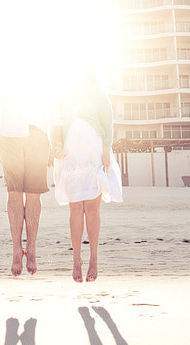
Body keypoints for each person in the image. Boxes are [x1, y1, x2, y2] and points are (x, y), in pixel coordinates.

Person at [52, 65, 122, 283]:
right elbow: (55, 123)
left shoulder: (99, 93)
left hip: (93, 152)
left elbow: (108, 124)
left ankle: (93, 258)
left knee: (91, 209)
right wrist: (56, 144)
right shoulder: (64, 94)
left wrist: (106, 152)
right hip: (71, 155)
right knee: (75, 209)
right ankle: (76, 259)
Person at [0, 76, 53, 277]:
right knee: (14, 193)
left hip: (38, 135)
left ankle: (32, 248)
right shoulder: (2, 72)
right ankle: (16, 250)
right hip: (9, 135)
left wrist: (58, 136)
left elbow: (54, 102)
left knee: (34, 195)